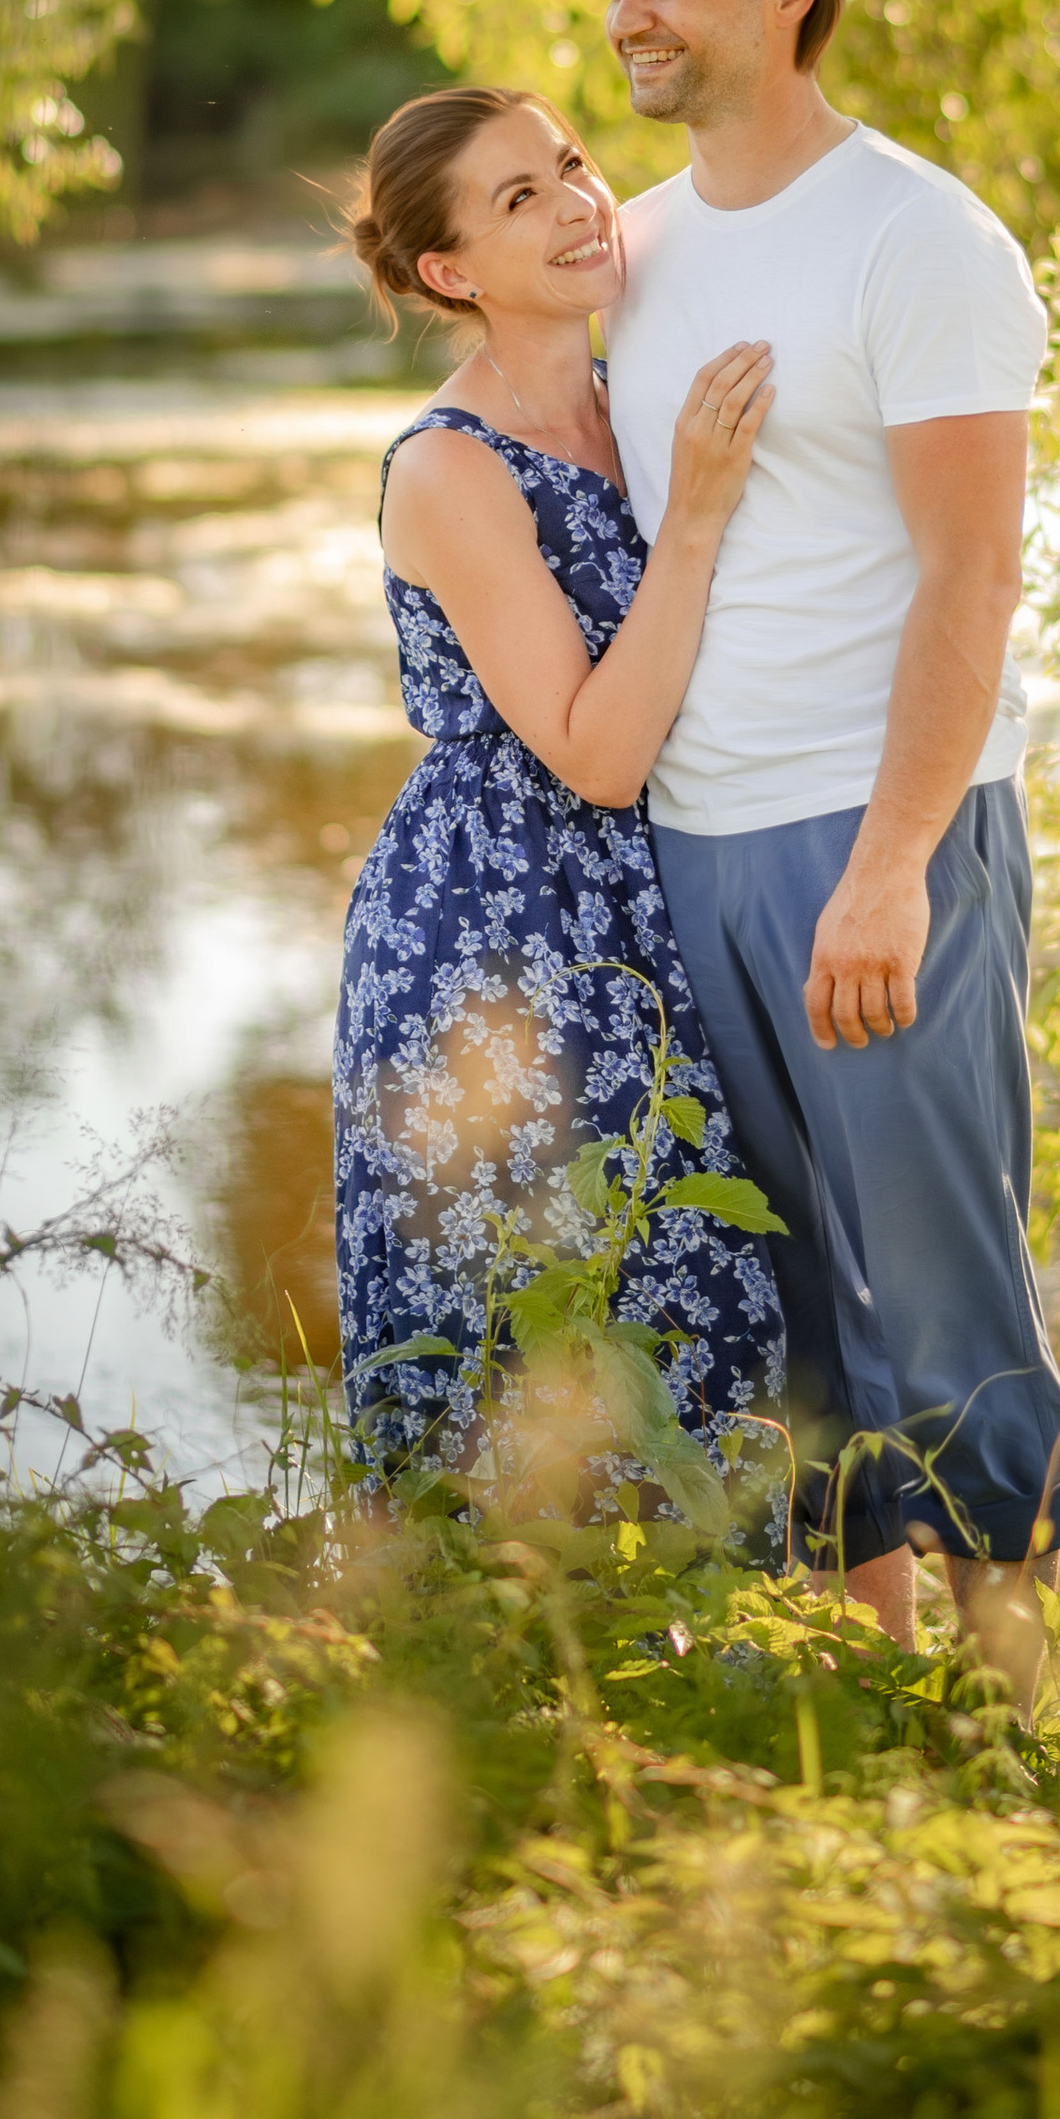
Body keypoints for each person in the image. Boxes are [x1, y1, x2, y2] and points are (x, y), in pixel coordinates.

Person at [600, 0, 1060, 1699]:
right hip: (695, 844)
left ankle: (1023, 1723)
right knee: (787, 1311)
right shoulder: (632, 250)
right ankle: (865, 1727)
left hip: (880, 833)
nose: (628, 15)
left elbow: (975, 572)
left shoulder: (919, 237)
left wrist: (892, 865)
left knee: (944, 1293)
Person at [334, 84, 786, 1494]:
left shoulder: (634, 394)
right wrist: (694, 516)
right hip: (497, 934)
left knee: (705, 1301)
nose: (582, 204)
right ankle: (507, 1634)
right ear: (449, 269)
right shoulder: (449, 468)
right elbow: (594, 751)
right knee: (531, 1322)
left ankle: (736, 1625)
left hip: (651, 898)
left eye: (572, 163)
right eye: (520, 198)